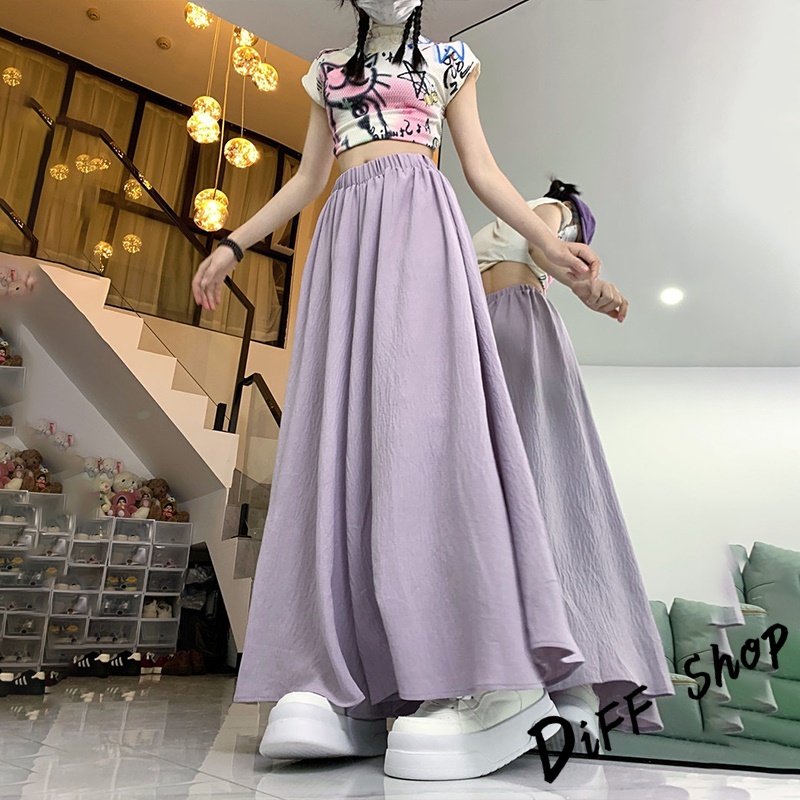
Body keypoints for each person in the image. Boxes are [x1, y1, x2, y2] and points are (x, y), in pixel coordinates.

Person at [193, 0, 613, 782]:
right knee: (338, 432)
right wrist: (233, 243)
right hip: (344, 234)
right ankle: (336, 678)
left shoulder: (451, 62)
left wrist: (548, 243)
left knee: (423, 422)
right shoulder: (325, 70)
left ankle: (479, 664)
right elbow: (307, 180)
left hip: (422, 221)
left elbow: (481, 171)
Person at [474, 179, 673, 750]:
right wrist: (585, 282)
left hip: (503, 320)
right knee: (540, 480)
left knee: (515, 482)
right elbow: (546, 245)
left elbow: (544, 254)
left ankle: (554, 681)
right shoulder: (554, 208)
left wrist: (585, 284)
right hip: (506, 320)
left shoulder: (509, 224)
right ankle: (569, 686)